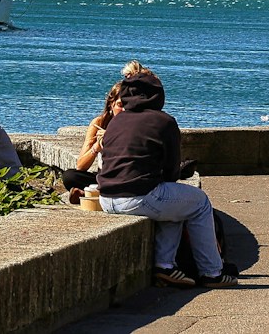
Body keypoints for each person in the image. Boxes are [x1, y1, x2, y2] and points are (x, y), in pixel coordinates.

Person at [97, 70, 235, 289]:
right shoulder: (164, 122)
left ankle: (166, 267)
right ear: (156, 95)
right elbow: (171, 172)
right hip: (137, 198)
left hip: (106, 198)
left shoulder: (117, 121)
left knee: (177, 205)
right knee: (199, 202)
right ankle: (212, 272)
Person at [62, 82, 123, 193]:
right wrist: (97, 146)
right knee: (70, 176)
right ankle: (95, 193)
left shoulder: (134, 125)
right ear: (111, 104)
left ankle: (89, 194)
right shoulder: (99, 122)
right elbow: (81, 166)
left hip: (125, 176)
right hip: (104, 175)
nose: (124, 110)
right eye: (120, 105)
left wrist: (112, 138)